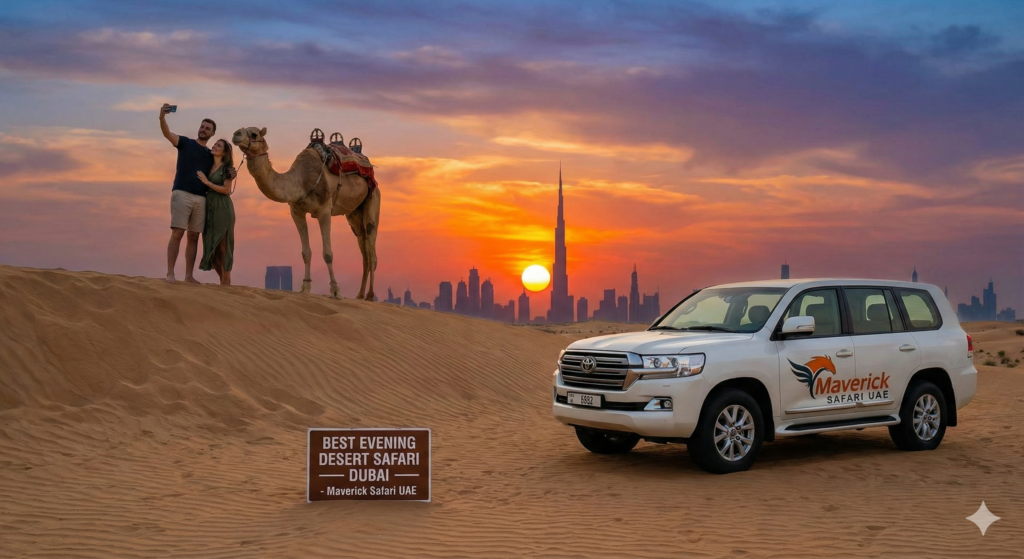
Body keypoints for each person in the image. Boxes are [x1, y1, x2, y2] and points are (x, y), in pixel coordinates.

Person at [158, 104, 234, 283]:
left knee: (194, 236)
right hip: (181, 194)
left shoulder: (211, 154)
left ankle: (189, 276)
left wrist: (232, 172)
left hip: (202, 199)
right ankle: (170, 274)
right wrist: (162, 118)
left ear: (212, 133)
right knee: (177, 233)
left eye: (208, 128)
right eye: (202, 126)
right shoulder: (186, 143)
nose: (203, 130)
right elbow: (168, 134)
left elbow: (224, 167)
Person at [197, 139, 236, 285]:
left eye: (218, 146)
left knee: (223, 247)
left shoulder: (227, 168)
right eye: (214, 144)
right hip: (210, 209)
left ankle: (226, 282)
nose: (214, 146)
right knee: (211, 249)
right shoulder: (208, 165)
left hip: (223, 208)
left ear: (224, 152)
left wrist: (207, 183)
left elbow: (226, 190)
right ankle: (223, 281)